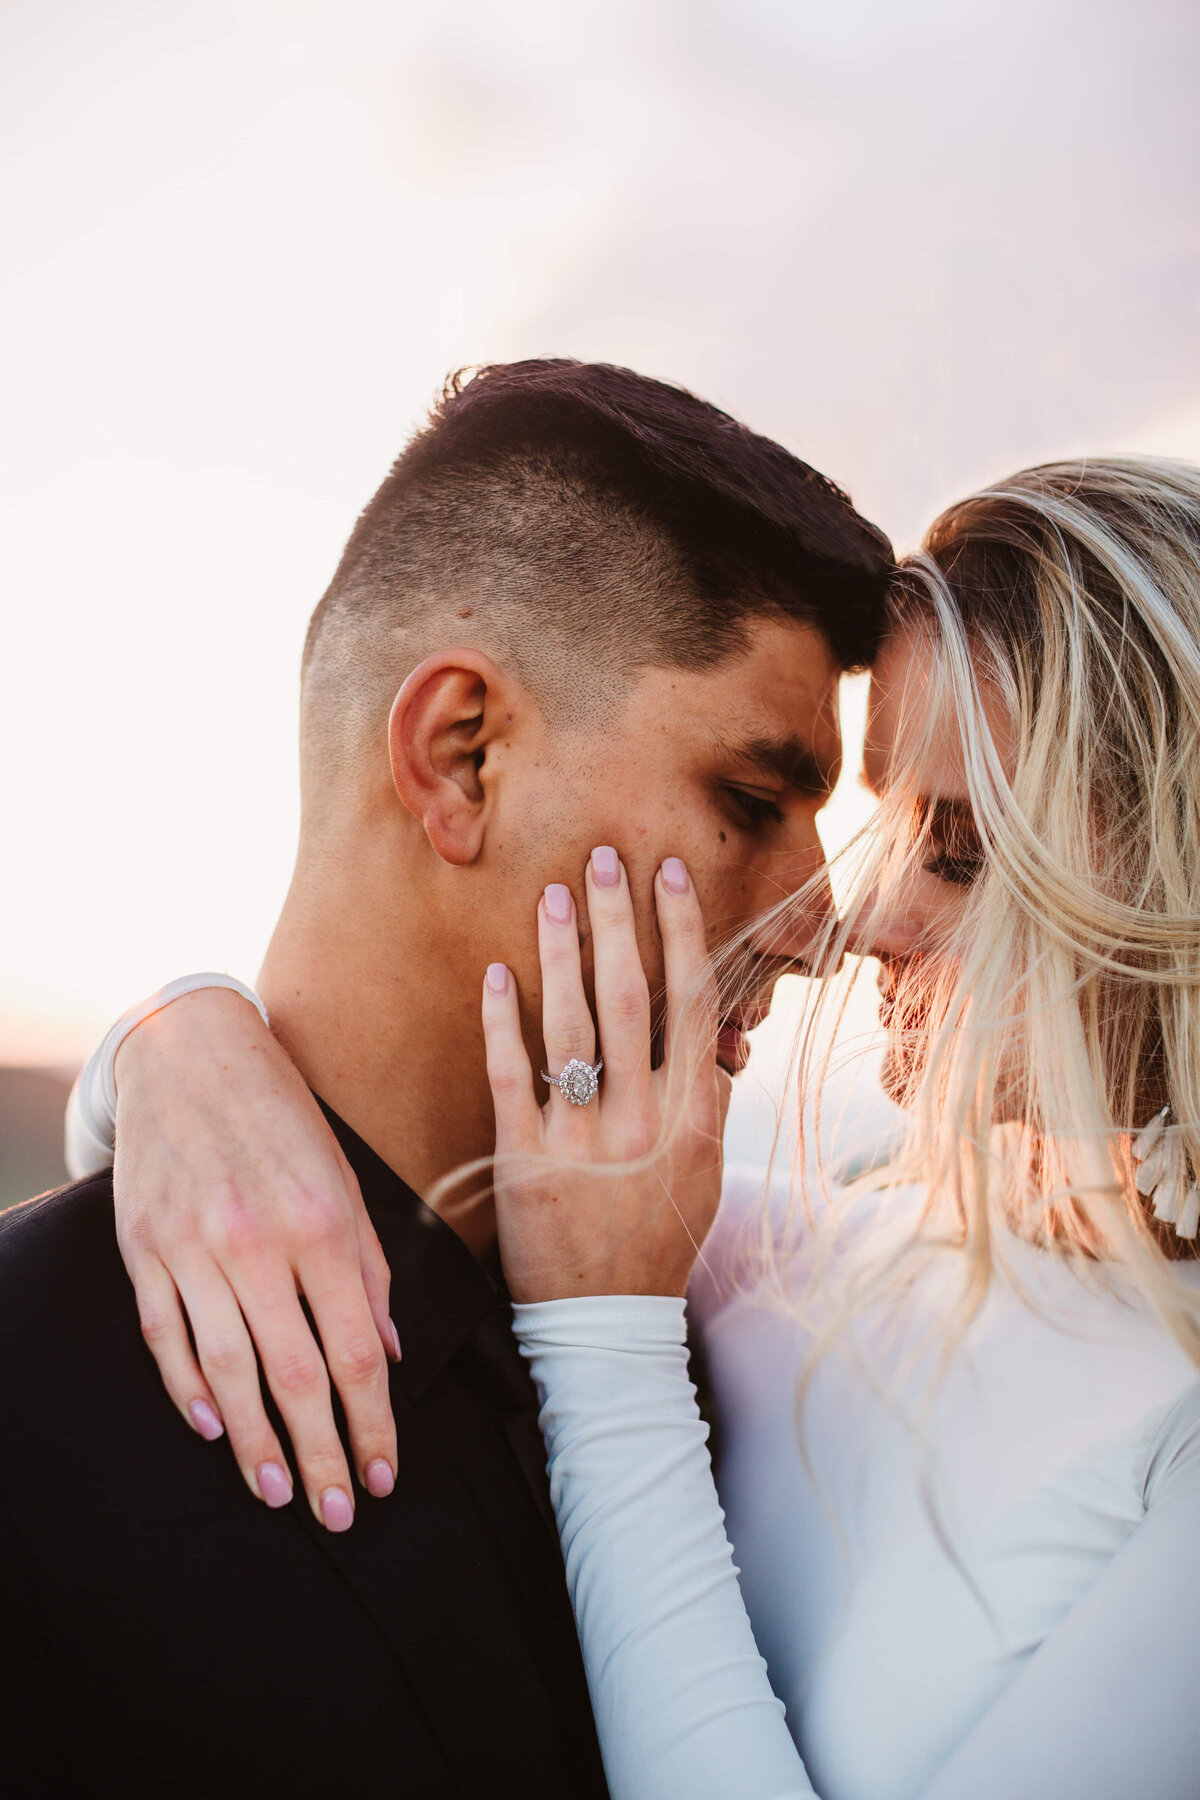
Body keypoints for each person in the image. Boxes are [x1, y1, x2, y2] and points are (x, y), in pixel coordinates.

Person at [71, 456, 1200, 1800]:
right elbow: (301, 1242)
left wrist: (609, 1363)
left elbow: (586, 1295)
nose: (863, 920)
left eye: (954, 851)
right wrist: (173, 1044)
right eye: (887, 831)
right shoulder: (825, 1256)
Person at [0, 357, 892, 1796]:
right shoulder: (25, 1395)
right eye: (750, 800)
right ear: (460, 756)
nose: (824, 918)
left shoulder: (744, 1333)